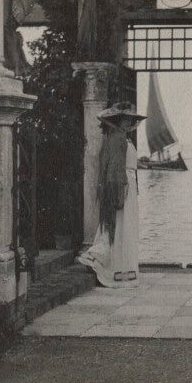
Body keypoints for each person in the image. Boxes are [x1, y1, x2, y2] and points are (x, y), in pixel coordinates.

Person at [76, 101, 145, 288]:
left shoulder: (124, 139)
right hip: (121, 184)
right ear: (118, 121)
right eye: (124, 120)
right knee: (119, 224)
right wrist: (119, 188)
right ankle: (106, 262)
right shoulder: (116, 139)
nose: (128, 123)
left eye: (130, 120)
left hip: (128, 183)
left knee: (125, 225)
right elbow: (115, 167)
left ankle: (120, 266)